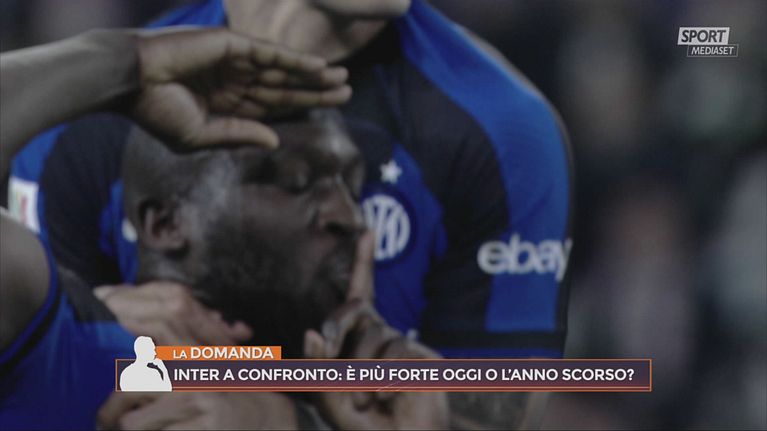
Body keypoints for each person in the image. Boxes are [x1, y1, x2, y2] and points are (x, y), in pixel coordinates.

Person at [9, 0, 573, 428]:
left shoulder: (504, 132)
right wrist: (85, 322)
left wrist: (278, 416)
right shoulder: (78, 123)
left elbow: (497, 415)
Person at [0, 27, 354, 429]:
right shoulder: (72, 349)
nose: (350, 216)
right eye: (295, 182)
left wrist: (293, 420)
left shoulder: (376, 383)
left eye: (353, 187)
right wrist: (131, 62)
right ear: (166, 224)